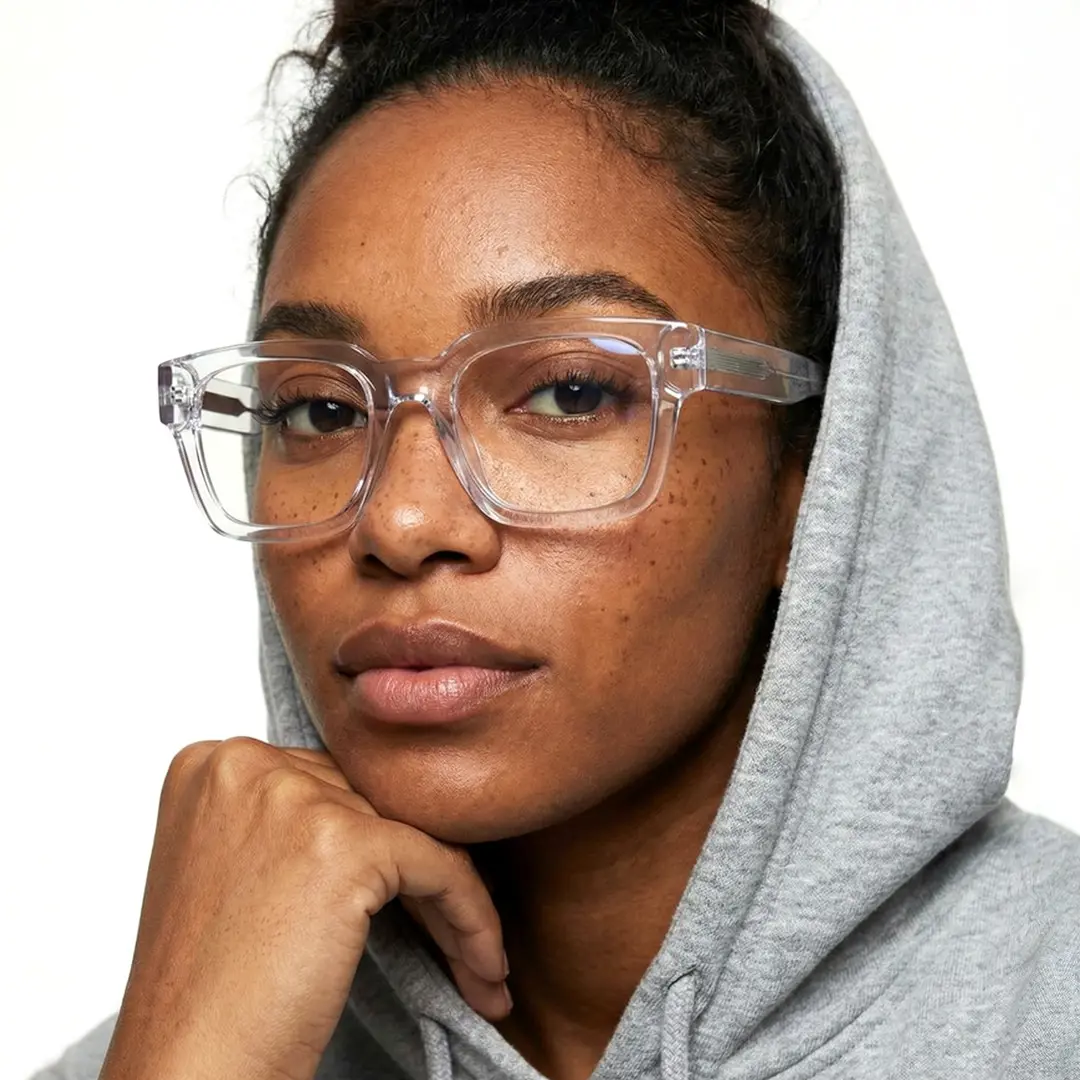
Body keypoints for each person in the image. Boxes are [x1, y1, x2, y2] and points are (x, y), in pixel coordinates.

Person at [32, 1, 1080, 1078]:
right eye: (321, 409)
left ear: (812, 482)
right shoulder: (173, 1055)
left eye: (570, 392)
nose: (400, 522)